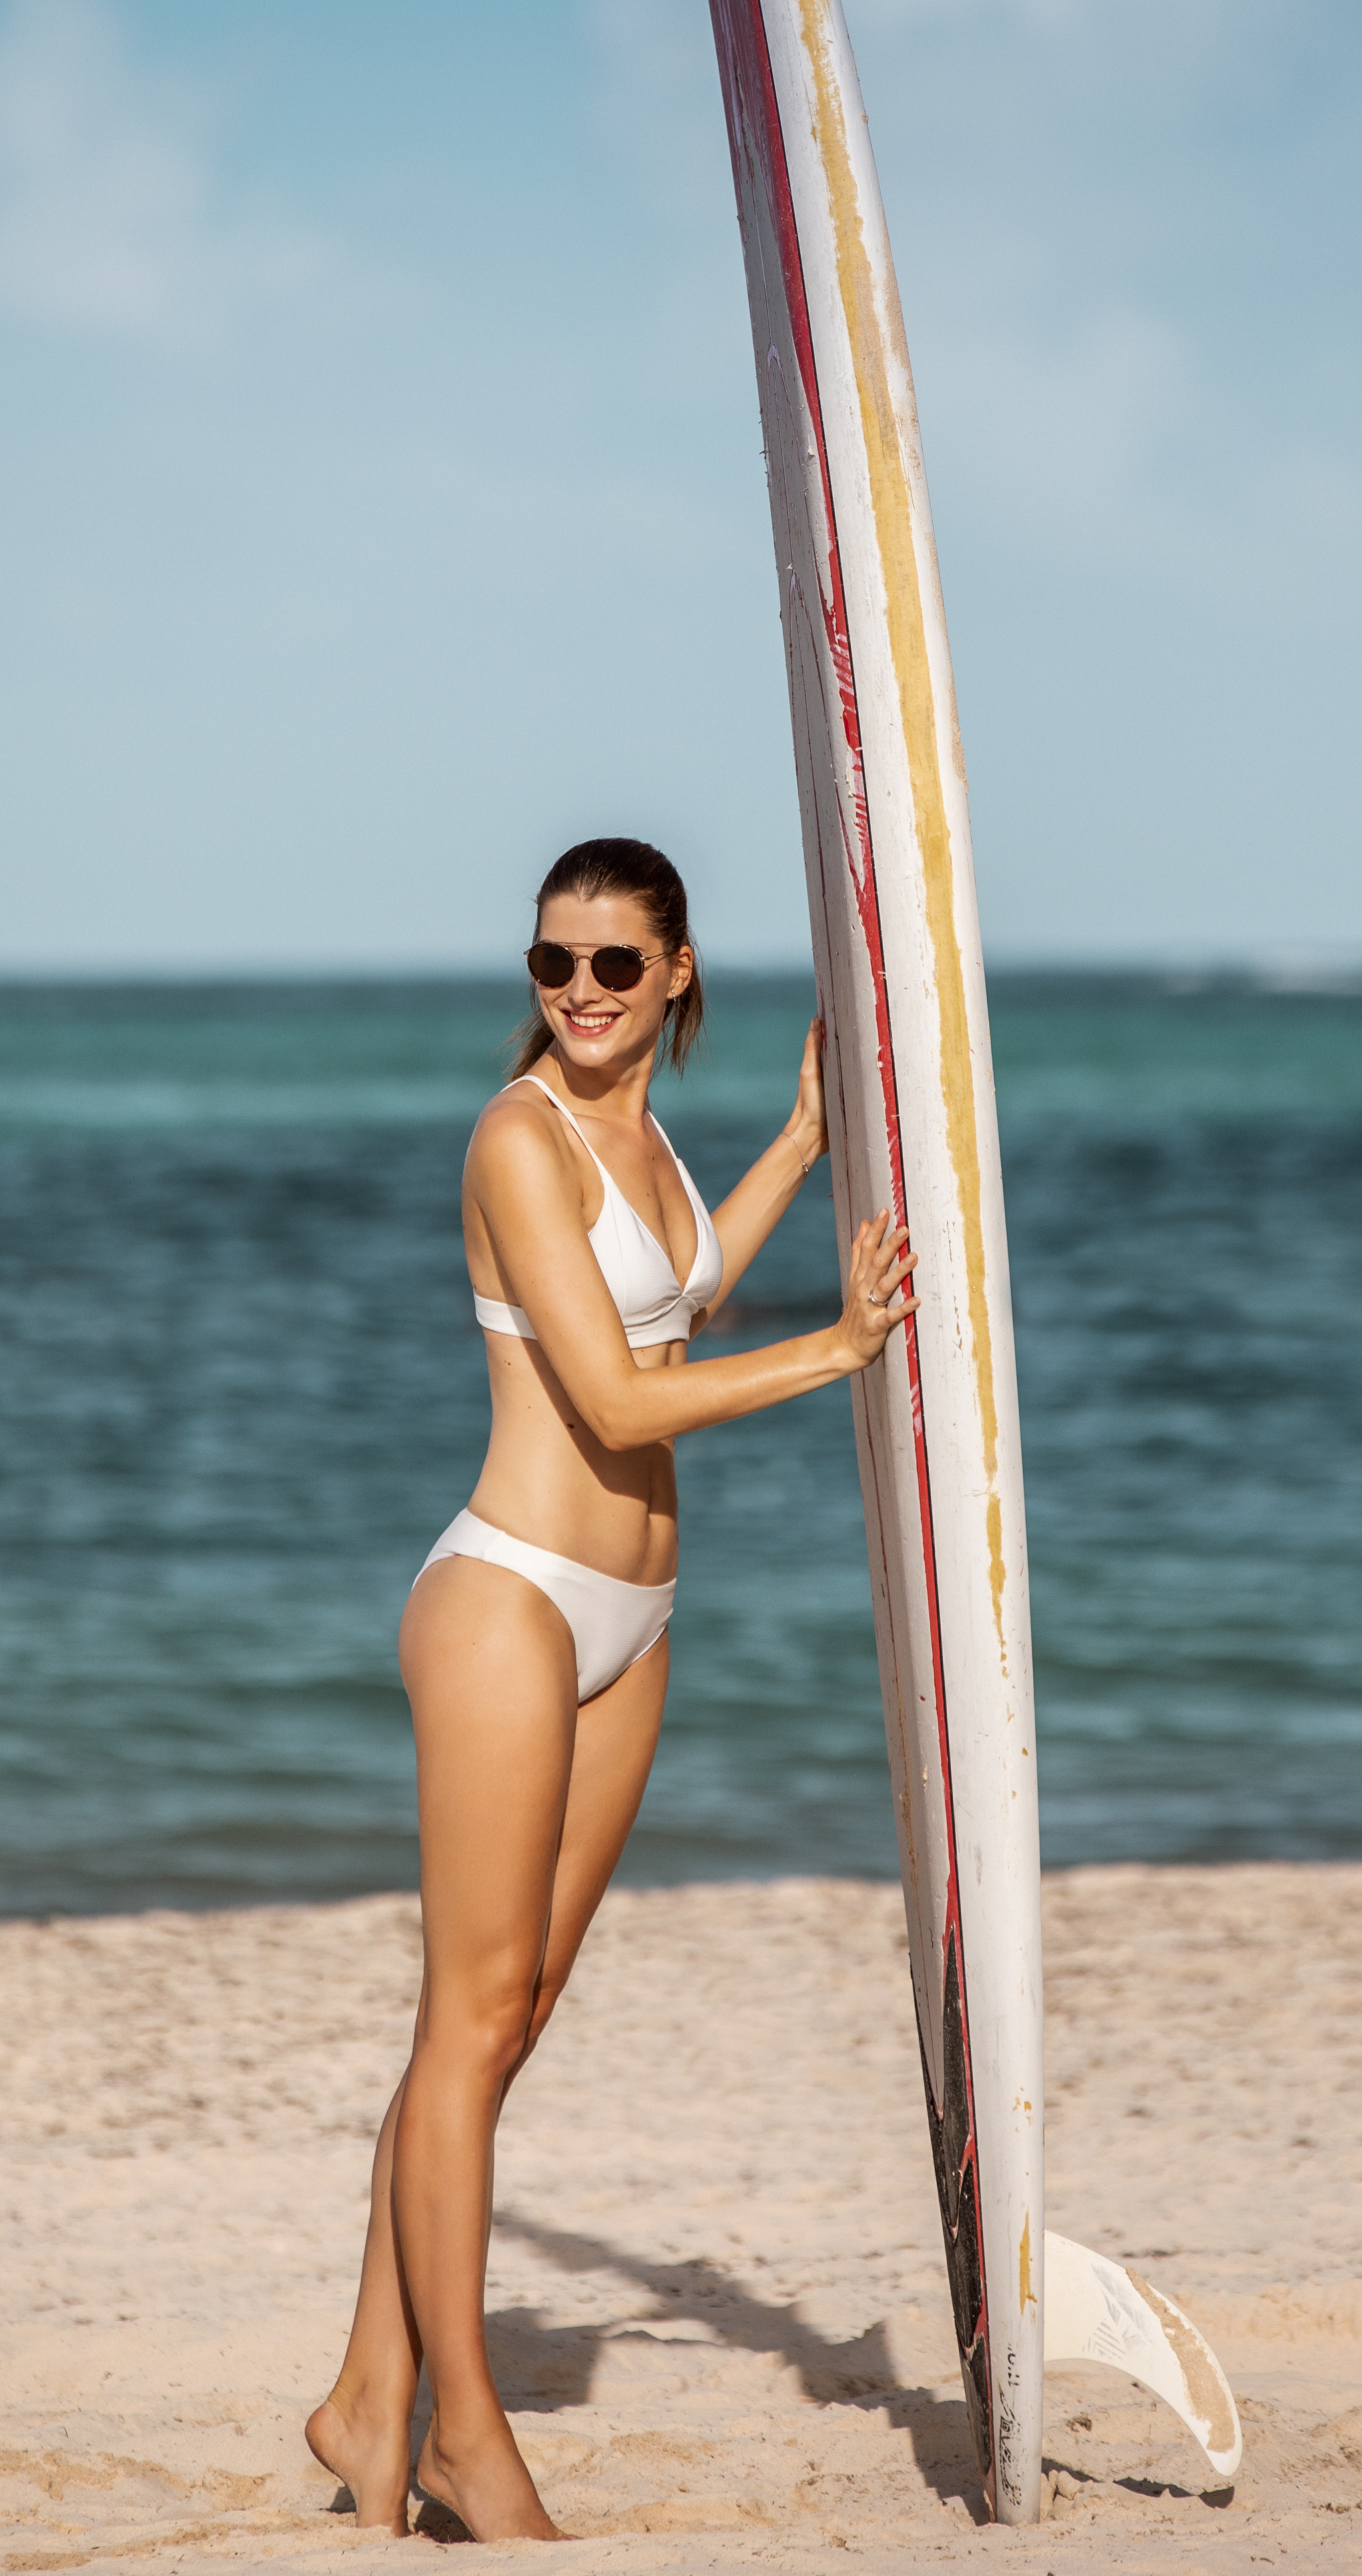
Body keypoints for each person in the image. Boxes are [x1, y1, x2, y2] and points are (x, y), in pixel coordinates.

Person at [304, 834, 913, 2541]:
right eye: (552, 964)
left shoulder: (637, 1136)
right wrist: (839, 1351)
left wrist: (798, 1143)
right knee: (471, 2026)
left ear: (677, 978)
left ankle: (365, 2397)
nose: (576, 993)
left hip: (633, 1618)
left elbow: (678, 1294)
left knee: (495, 2037)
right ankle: (463, 2437)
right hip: (510, 1604)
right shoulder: (519, 1136)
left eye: (613, 968)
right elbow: (621, 1402)